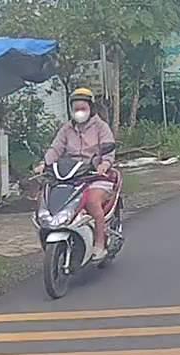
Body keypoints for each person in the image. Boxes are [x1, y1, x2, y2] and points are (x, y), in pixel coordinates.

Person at [35, 88, 117, 260]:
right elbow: (56, 148)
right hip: (71, 176)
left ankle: (100, 244)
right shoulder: (66, 129)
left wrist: (104, 164)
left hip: (95, 176)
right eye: (76, 109)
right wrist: (44, 164)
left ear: (91, 108)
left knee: (92, 202)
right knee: (49, 198)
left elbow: (108, 149)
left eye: (83, 108)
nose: (79, 112)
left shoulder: (101, 127)